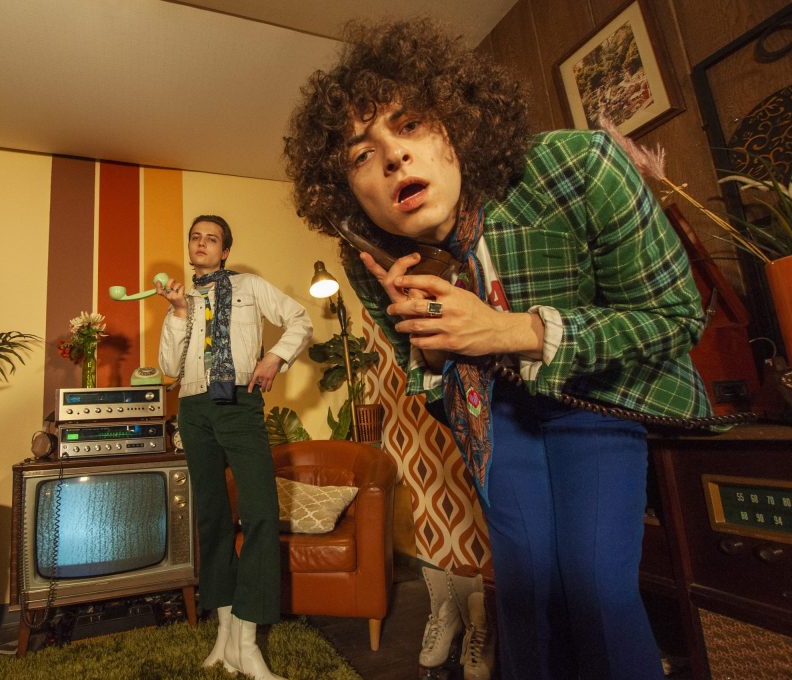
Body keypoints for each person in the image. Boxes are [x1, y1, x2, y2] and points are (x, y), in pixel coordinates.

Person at [283, 20, 712, 680]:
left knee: (595, 589)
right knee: (524, 593)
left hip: (598, 398)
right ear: (348, 191)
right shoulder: (370, 255)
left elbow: (677, 318)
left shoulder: (578, 166)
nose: (393, 157)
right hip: (496, 416)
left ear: (456, 123)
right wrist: (428, 338)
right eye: (361, 154)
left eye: (409, 124)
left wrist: (509, 331)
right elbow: (428, 382)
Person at [157, 214, 312, 680]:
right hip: (193, 408)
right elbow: (169, 367)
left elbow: (300, 320)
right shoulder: (181, 299)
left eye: (212, 239)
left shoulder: (251, 286)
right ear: (190, 247)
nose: (202, 244)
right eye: (196, 237)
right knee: (211, 518)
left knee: (261, 512)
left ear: (225, 251)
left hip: (240, 405)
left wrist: (275, 357)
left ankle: (248, 642)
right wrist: (178, 313)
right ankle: (224, 639)